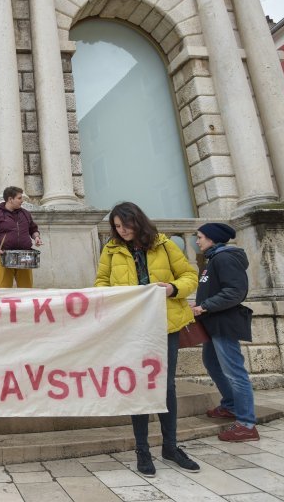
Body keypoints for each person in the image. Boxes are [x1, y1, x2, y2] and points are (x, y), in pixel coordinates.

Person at [94, 202, 200, 477]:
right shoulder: (111, 249)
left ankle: (171, 447)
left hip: (165, 325)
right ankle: (143, 450)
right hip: (131, 328)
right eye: (116, 227)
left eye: (125, 225)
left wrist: (173, 288)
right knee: (138, 386)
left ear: (137, 221)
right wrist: (112, 299)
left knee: (166, 387)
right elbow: (101, 282)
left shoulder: (164, 245)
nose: (122, 231)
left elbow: (189, 275)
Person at [191, 223, 258, 442]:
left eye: (200, 237)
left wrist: (205, 306)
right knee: (211, 362)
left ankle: (247, 425)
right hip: (213, 322)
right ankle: (230, 405)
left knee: (234, 372)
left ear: (212, 238)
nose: (197, 241)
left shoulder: (225, 258)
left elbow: (235, 292)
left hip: (224, 323)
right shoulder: (213, 259)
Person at [0, 186, 42, 288]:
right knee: (4, 290)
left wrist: (36, 237)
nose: (22, 201)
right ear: (10, 199)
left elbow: (33, 230)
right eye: (19, 198)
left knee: (26, 289)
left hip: (24, 256)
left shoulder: (25, 213)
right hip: (3, 255)